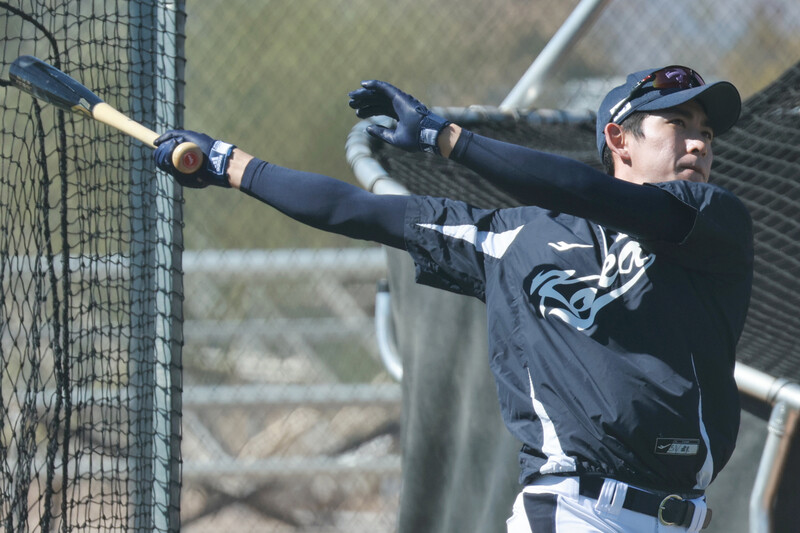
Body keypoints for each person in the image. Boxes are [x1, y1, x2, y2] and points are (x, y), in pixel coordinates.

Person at [154, 65, 753, 532]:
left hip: (689, 515)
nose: (699, 144)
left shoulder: (713, 227)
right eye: (677, 125)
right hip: (576, 514)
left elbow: (588, 193)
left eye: (704, 131)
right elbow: (357, 210)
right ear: (619, 139)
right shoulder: (513, 238)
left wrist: (449, 139)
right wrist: (231, 164)